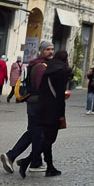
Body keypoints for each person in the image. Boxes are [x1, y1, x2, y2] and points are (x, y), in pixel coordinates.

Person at [0, 42, 53, 174]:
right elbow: (42, 87)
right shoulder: (40, 67)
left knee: (35, 133)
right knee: (38, 133)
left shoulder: (36, 64)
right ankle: (14, 156)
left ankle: (35, 162)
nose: (51, 52)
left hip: (34, 103)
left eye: (52, 49)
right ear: (41, 51)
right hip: (39, 104)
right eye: (47, 49)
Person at [22, 47, 70, 176]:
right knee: (49, 139)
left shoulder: (48, 68)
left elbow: (41, 89)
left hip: (42, 107)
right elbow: (60, 96)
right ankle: (27, 161)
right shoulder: (61, 71)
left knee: (46, 138)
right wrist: (61, 114)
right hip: (53, 110)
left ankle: (49, 166)